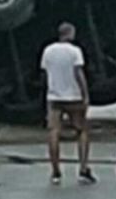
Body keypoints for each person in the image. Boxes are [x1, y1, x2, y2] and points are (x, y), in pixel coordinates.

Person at [41, 22, 97, 185]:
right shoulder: (75, 51)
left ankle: (56, 172)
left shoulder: (48, 51)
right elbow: (79, 73)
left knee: (54, 132)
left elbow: (44, 73)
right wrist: (85, 95)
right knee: (82, 131)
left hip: (54, 97)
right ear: (70, 33)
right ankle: (83, 169)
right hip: (74, 96)